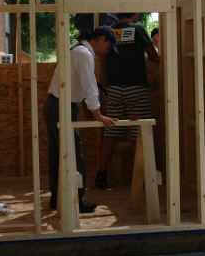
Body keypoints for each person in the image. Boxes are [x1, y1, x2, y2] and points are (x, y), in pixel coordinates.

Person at [44, 26, 117, 213]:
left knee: (58, 155)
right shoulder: (84, 54)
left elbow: (77, 84)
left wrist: (88, 109)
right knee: (73, 154)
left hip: (54, 105)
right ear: (101, 39)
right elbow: (89, 85)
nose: (106, 52)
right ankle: (77, 199)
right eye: (108, 46)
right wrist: (98, 114)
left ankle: (57, 198)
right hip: (62, 107)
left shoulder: (75, 48)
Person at [95, 14, 158, 189]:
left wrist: (108, 87)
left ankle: (101, 174)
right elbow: (153, 57)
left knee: (111, 131)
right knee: (139, 131)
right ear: (135, 14)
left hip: (115, 88)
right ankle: (140, 178)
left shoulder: (109, 31)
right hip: (136, 88)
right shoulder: (138, 29)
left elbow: (103, 64)